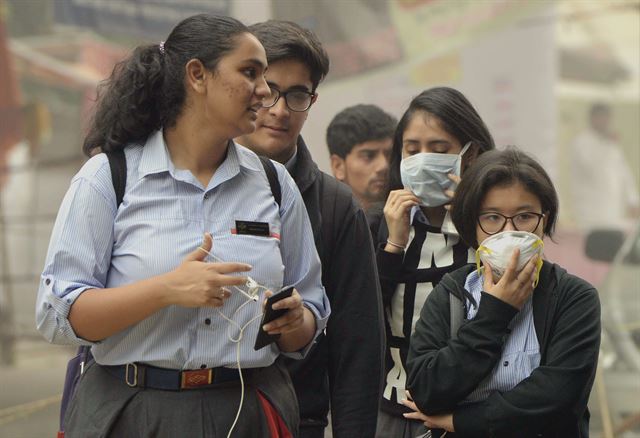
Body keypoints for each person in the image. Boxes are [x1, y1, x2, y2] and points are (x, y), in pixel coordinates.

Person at [35, 14, 330, 438]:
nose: (265, 92)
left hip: (248, 410)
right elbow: (56, 315)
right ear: (197, 75)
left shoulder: (274, 183)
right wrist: (166, 290)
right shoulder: (109, 177)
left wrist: (295, 321)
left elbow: (312, 314)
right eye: (250, 73)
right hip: (133, 410)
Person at [236, 20, 384, 438]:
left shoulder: (335, 207)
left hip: (294, 419)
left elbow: (357, 348)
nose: (280, 110)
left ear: (312, 99)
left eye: (297, 94)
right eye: (267, 89)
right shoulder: (188, 182)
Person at [404, 147, 601, 437]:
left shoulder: (574, 298)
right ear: (473, 225)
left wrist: (460, 421)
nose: (509, 231)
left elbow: (557, 398)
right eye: (493, 218)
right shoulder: (452, 294)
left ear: (544, 220)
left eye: (524, 217)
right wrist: (494, 313)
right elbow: (425, 389)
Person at [372, 87, 495, 437]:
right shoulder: (375, 224)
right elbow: (360, 315)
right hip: (394, 410)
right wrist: (394, 244)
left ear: (471, 155)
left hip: (470, 414)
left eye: (439, 150)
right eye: (413, 150)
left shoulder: (494, 227)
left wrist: (472, 223)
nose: (423, 160)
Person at [570, 102, 640, 230]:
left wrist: (633, 200)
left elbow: (624, 173)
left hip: (613, 208)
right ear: (592, 118)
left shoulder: (612, 145)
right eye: (601, 117)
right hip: (590, 211)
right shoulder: (582, 142)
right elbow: (591, 168)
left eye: (607, 118)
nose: (605, 121)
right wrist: (604, 140)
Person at [326, 104, 396, 216]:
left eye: (390, 154)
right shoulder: (321, 224)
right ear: (338, 166)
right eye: (369, 156)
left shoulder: (413, 217)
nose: (384, 166)